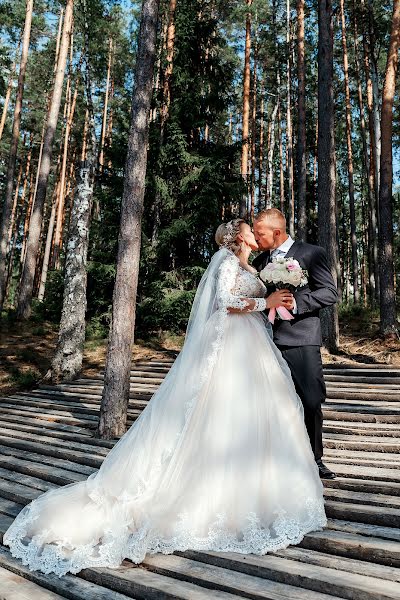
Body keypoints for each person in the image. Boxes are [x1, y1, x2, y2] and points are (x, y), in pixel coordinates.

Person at [4, 219, 326, 577]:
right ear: (237, 236)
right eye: (249, 228)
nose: (254, 232)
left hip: (253, 345)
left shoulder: (252, 265)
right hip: (231, 347)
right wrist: (262, 301)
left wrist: (270, 302)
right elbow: (224, 301)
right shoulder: (227, 261)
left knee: (259, 416)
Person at [253, 208, 339, 479]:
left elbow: (329, 292)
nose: (256, 238)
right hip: (265, 342)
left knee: (311, 400)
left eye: (260, 233)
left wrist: (297, 303)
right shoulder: (259, 261)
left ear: (276, 232)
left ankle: (314, 459)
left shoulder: (312, 253)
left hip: (301, 338)